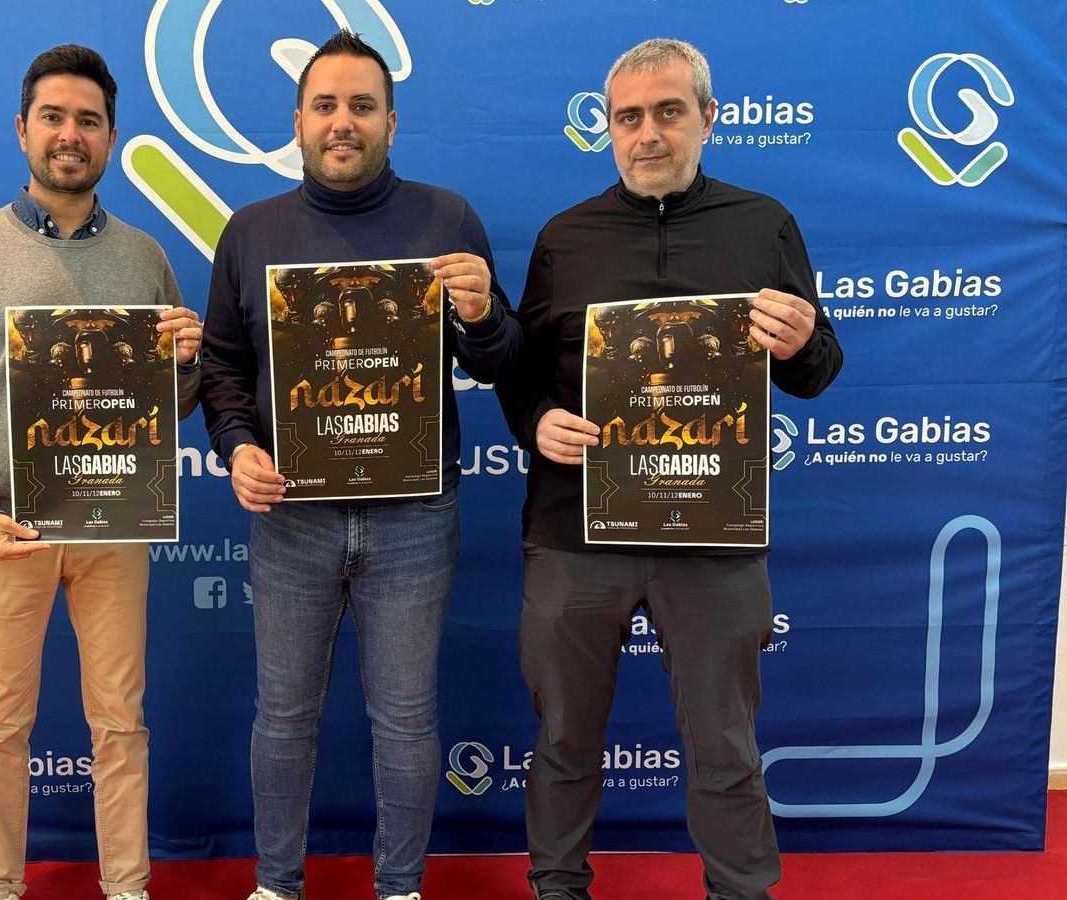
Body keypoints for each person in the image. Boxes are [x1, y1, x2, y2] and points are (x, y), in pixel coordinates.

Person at [494, 38, 844, 900]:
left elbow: (818, 365)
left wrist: (802, 344)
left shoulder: (764, 223)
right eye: (629, 117)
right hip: (577, 531)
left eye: (668, 112)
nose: (648, 133)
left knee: (725, 743)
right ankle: (557, 886)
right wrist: (537, 420)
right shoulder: (564, 237)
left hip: (715, 535)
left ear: (707, 118)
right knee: (566, 736)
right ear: (608, 129)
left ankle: (741, 889)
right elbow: (519, 367)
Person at [199, 29, 520, 900]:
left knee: (408, 720)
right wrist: (239, 449)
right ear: (297, 120)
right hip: (292, 514)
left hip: (415, 516)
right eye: (327, 105)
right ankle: (275, 884)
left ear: (391, 121)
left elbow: (503, 359)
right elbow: (221, 369)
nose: (344, 122)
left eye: (363, 107)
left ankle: (402, 886)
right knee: (283, 718)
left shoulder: (447, 217)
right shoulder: (251, 230)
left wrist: (485, 312)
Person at [0, 44, 202, 900]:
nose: (70, 135)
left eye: (89, 121)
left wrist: (184, 362)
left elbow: (168, 408)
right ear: (23, 129)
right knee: (1, 725)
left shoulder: (145, 257)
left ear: (111, 136)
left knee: (122, 725)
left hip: (116, 526)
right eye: (54, 117)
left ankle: (128, 886)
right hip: (8, 528)